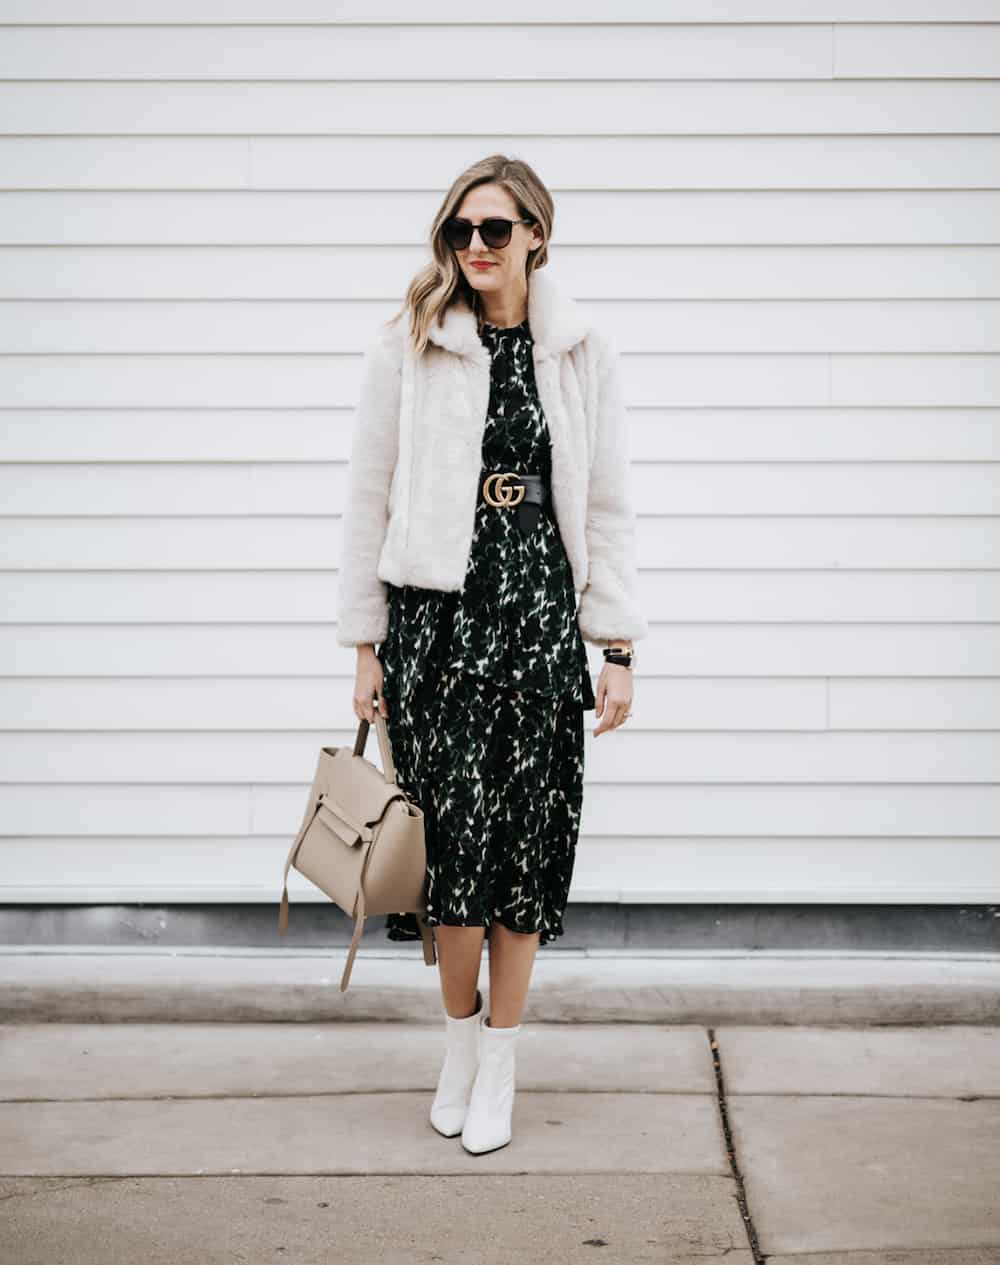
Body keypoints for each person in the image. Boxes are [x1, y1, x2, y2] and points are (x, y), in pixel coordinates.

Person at [336, 154, 648, 1154]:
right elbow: (365, 497)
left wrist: (619, 646)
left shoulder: (579, 349)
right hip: (437, 632)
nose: (475, 246)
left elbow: (608, 503)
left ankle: (502, 1063)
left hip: (541, 631)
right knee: (450, 862)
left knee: (526, 855)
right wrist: (365, 643)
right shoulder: (411, 341)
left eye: (495, 230)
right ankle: (458, 1044)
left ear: (535, 238)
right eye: (461, 230)